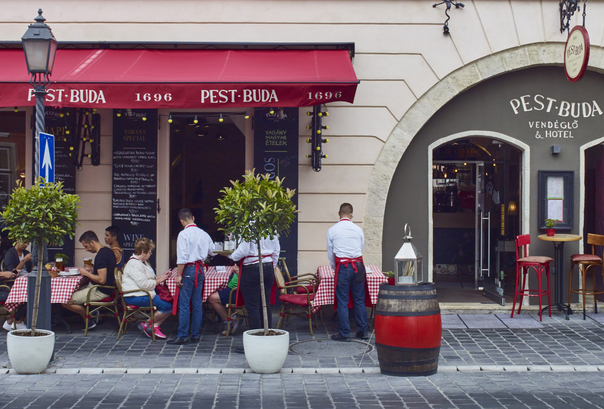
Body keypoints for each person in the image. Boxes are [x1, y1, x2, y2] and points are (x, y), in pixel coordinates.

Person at [167, 208, 214, 345]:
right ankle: (195, 334)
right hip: (200, 269)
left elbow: (182, 258)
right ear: (193, 218)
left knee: (184, 304)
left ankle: (182, 335)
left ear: (181, 221)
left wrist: (178, 275)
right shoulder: (203, 234)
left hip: (189, 269)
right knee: (198, 303)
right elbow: (212, 251)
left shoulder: (183, 234)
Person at [327, 203, 370, 342]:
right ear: (352, 214)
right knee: (359, 300)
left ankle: (345, 332)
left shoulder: (332, 230)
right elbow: (361, 247)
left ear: (339, 213)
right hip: (358, 265)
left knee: (342, 301)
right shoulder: (358, 230)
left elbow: (330, 253)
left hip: (343, 266)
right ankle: (362, 330)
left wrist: (335, 267)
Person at [61, 231, 116, 330]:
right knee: (71, 291)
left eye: (86, 246)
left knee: (65, 300)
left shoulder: (101, 256)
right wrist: (92, 269)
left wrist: (86, 273)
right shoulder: (108, 251)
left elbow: (102, 280)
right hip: (104, 288)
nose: (86, 249)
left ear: (92, 242)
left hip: (100, 290)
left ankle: (88, 319)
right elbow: (105, 271)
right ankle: (93, 312)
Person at [122, 238, 171, 339]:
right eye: (149, 251)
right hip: (136, 296)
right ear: (143, 252)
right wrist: (159, 280)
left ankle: (153, 326)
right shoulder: (135, 264)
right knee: (168, 306)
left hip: (142, 293)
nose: (151, 253)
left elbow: (149, 279)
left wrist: (162, 276)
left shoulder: (142, 262)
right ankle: (147, 324)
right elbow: (144, 284)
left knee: (170, 305)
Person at [229, 233, 280, 333]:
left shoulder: (248, 227)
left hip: (252, 268)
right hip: (267, 265)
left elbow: (244, 250)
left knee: (253, 307)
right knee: (265, 304)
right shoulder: (271, 227)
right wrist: (271, 265)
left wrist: (232, 256)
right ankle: (266, 333)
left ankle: (255, 338)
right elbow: (276, 250)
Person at [207, 264, 241, 335]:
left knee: (212, 298)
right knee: (216, 293)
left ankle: (228, 321)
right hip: (233, 287)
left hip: (236, 291)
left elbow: (244, 277)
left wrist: (236, 270)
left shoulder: (250, 263)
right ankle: (232, 316)